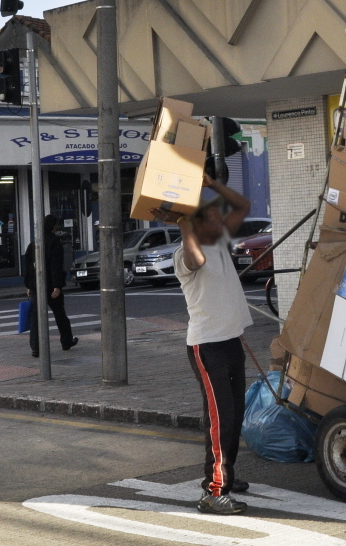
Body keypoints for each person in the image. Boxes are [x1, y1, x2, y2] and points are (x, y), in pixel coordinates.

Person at [152, 175, 253, 516]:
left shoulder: (219, 243)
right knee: (220, 419)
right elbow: (197, 261)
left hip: (231, 342)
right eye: (211, 216)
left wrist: (212, 185)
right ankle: (213, 492)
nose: (219, 219)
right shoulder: (184, 254)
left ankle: (225, 474)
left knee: (234, 416)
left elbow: (242, 205)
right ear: (196, 224)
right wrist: (182, 223)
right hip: (207, 348)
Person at [23, 214, 78, 358]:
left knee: (35, 317)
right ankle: (66, 341)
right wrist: (57, 285)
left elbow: (28, 266)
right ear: (53, 227)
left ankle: (36, 348)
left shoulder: (34, 243)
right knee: (60, 314)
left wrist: (28, 285)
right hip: (50, 285)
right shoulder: (54, 243)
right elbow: (56, 266)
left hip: (36, 285)